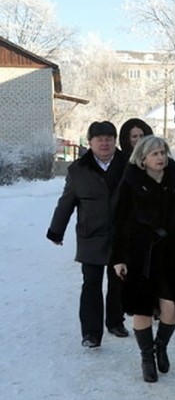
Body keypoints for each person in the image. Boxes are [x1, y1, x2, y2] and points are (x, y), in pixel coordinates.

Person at [111, 135, 175, 383]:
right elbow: (119, 221)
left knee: (172, 308)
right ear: (142, 158)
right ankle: (147, 357)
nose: (160, 157)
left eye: (163, 152)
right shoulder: (131, 182)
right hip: (140, 254)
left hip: (170, 254)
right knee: (142, 308)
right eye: (155, 153)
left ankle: (161, 346)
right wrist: (119, 257)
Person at [47, 121, 129, 348]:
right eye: (99, 139)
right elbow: (66, 202)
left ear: (115, 141)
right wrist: (56, 231)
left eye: (108, 139)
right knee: (91, 283)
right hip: (91, 235)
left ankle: (115, 322)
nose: (104, 143)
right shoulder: (78, 170)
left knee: (118, 281)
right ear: (90, 142)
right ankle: (91, 333)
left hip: (121, 234)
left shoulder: (128, 166)